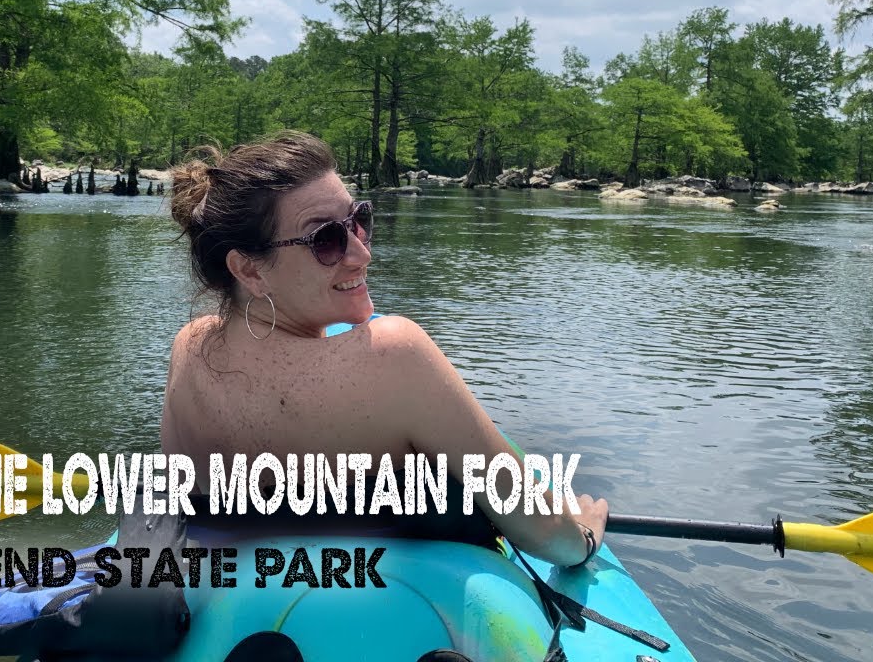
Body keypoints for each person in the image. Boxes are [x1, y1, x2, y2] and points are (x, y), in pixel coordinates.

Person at [161, 131, 608, 567]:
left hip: (239, 613)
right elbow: (549, 536)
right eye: (326, 240)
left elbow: (184, 505)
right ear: (249, 270)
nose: (361, 253)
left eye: (359, 221)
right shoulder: (394, 355)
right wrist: (583, 535)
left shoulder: (190, 348)